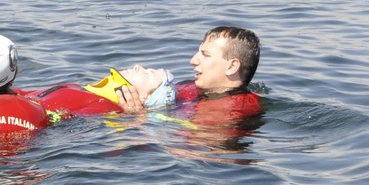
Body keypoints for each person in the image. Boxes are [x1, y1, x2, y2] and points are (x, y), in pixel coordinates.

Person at [112, 25, 262, 123]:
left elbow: (192, 152)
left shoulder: (232, 110)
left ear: (232, 66)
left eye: (205, 54)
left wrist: (139, 118)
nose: (193, 60)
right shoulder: (192, 87)